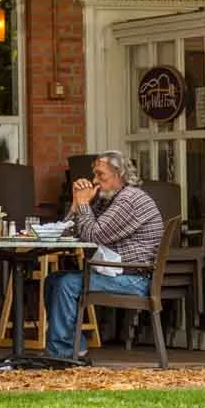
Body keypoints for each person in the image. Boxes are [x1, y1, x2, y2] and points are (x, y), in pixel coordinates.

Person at [44, 150, 167, 364]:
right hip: (117, 272)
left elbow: (94, 235)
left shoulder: (129, 200)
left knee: (66, 284)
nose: (94, 180)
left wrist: (84, 205)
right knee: (53, 281)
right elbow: (70, 232)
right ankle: (73, 347)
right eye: (94, 174)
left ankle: (61, 354)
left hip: (135, 278)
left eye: (100, 175)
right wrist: (76, 204)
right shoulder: (109, 198)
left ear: (119, 175)